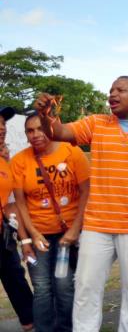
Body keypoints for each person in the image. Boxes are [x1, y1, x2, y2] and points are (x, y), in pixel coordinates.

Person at [33, 76, 128, 332]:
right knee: (85, 288)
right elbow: (59, 132)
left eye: (120, 90)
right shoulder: (97, 123)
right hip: (97, 225)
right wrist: (47, 117)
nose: (112, 94)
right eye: (111, 90)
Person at [11, 113, 89, 332]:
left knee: (64, 286)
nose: (35, 135)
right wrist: (30, 237)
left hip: (68, 235)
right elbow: (20, 204)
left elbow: (86, 193)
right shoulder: (19, 161)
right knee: (42, 287)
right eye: (30, 131)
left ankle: (67, 328)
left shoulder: (71, 153)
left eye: (40, 129)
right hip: (39, 236)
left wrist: (75, 230)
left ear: (50, 129)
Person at [0, 107, 35, 331]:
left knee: (16, 280)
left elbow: (10, 202)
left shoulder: (4, 160)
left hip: (2, 236)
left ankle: (32, 325)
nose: (1, 128)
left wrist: (22, 239)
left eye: (3, 123)